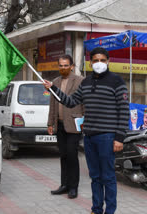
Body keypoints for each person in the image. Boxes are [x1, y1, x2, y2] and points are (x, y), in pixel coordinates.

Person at [43, 47, 129, 214]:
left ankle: (110, 211)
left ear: (108, 61)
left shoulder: (117, 81)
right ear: (90, 62)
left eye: (102, 60)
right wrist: (53, 88)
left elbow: (124, 110)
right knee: (95, 177)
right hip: (89, 137)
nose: (99, 63)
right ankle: (96, 209)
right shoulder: (86, 82)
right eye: (95, 60)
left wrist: (119, 138)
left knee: (108, 177)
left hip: (107, 137)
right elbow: (70, 101)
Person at [48, 55, 84, 199]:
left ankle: (73, 187)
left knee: (72, 155)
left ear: (72, 66)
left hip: (75, 125)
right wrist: (50, 123)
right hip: (60, 125)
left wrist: (85, 122)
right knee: (63, 155)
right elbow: (52, 105)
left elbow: (84, 103)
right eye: (61, 65)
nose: (63, 68)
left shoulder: (80, 81)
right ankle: (64, 185)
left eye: (66, 65)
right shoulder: (55, 82)